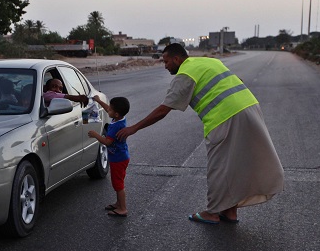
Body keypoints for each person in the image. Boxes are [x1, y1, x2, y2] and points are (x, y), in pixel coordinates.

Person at [116, 43, 284, 224]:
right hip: (250, 107)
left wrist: (133, 128)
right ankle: (229, 212)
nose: (165, 66)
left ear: (177, 59)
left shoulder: (185, 74)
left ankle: (212, 212)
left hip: (225, 117)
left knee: (218, 167)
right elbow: (238, 80)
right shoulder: (208, 62)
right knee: (234, 164)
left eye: (166, 62)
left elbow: (163, 110)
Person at [88, 96, 131, 217]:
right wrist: (99, 101)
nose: (108, 111)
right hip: (119, 156)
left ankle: (123, 208)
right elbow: (108, 109)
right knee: (117, 182)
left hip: (119, 158)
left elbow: (107, 142)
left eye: (111, 110)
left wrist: (96, 135)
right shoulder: (119, 119)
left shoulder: (115, 126)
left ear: (116, 114)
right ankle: (118, 203)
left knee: (118, 184)